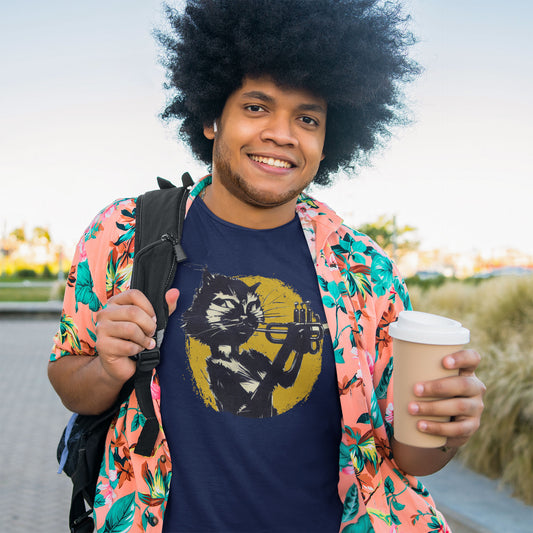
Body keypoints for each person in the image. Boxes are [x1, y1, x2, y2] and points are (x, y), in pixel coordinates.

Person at [48, 1, 486, 531]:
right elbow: (68, 375)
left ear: (329, 140)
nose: (282, 133)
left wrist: (446, 430)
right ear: (212, 118)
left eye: (307, 118)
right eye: (256, 107)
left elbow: (413, 458)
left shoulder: (365, 270)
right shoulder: (124, 233)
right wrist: (105, 367)